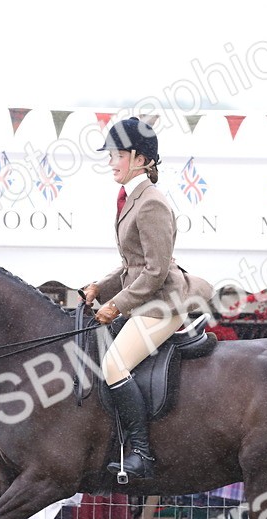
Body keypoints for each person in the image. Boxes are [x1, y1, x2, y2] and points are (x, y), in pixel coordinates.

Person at [82, 117, 212, 481]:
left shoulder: (151, 202)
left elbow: (155, 271)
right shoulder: (132, 198)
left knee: (113, 366)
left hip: (163, 303)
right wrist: (98, 287)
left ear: (139, 159)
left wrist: (115, 305)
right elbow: (132, 264)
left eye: (117, 155)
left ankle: (140, 453)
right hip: (145, 297)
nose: (111, 162)